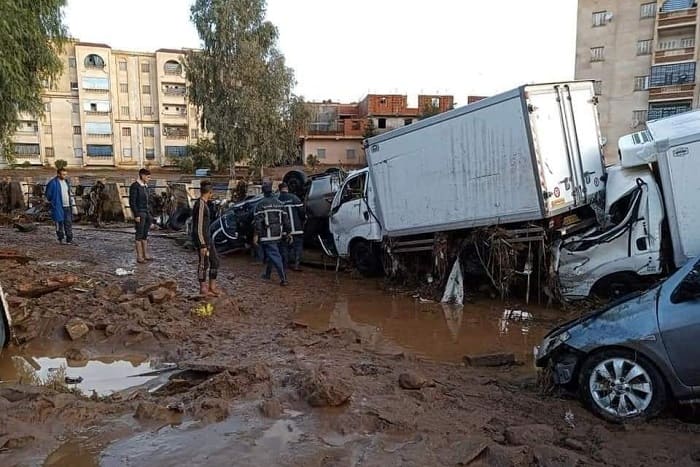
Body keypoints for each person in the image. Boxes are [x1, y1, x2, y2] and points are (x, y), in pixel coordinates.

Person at [253, 178, 291, 286]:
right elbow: (286, 220)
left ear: (263, 191)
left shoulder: (260, 205)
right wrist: (288, 232)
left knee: (274, 255)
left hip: (267, 235)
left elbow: (257, 222)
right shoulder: (280, 203)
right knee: (272, 253)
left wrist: (256, 235)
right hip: (277, 234)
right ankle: (268, 274)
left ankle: (283, 279)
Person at [192, 181, 220, 296]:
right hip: (203, 239)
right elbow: (198, 227)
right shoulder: (201, 205)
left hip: (207, 238)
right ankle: (203, 288)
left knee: (215, 261)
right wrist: (202, 244)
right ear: (209, 192)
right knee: (204, 264)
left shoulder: (205, 204)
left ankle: (212, 286)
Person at [278, 182, 305, 271]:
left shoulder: (277, 200)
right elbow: (302, 212)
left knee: (285, 247)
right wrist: (302, 221)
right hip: (297, 229)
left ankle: (285, 265)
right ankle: (297, 265)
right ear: (287, 188)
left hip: (284, 230)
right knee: (298, 247)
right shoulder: (294, 198)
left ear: (279, 189)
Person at [129, 168, 153, 263]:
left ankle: (145, 254)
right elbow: (132, 202)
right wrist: (136, 214)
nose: (149, 178)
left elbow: (148, 201)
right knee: (139, 234)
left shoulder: (145, 186)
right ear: (142, 176)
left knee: (145, 234)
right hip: (140, 212)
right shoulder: (135, 186)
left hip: (146, 212)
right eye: (148, 177)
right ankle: (139, 256)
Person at [45, 168, 75, 245]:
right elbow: (48, 194)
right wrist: (53, 202)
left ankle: (69, 239)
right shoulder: (53, 183)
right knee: (59, 223)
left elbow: (69, 193)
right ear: (58, 174)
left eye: (66, 174)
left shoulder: (66, 182)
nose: (65, 176)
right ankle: (60, 239)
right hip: (58, 206)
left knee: (68, 223)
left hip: (67, 206)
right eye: (63, 174)